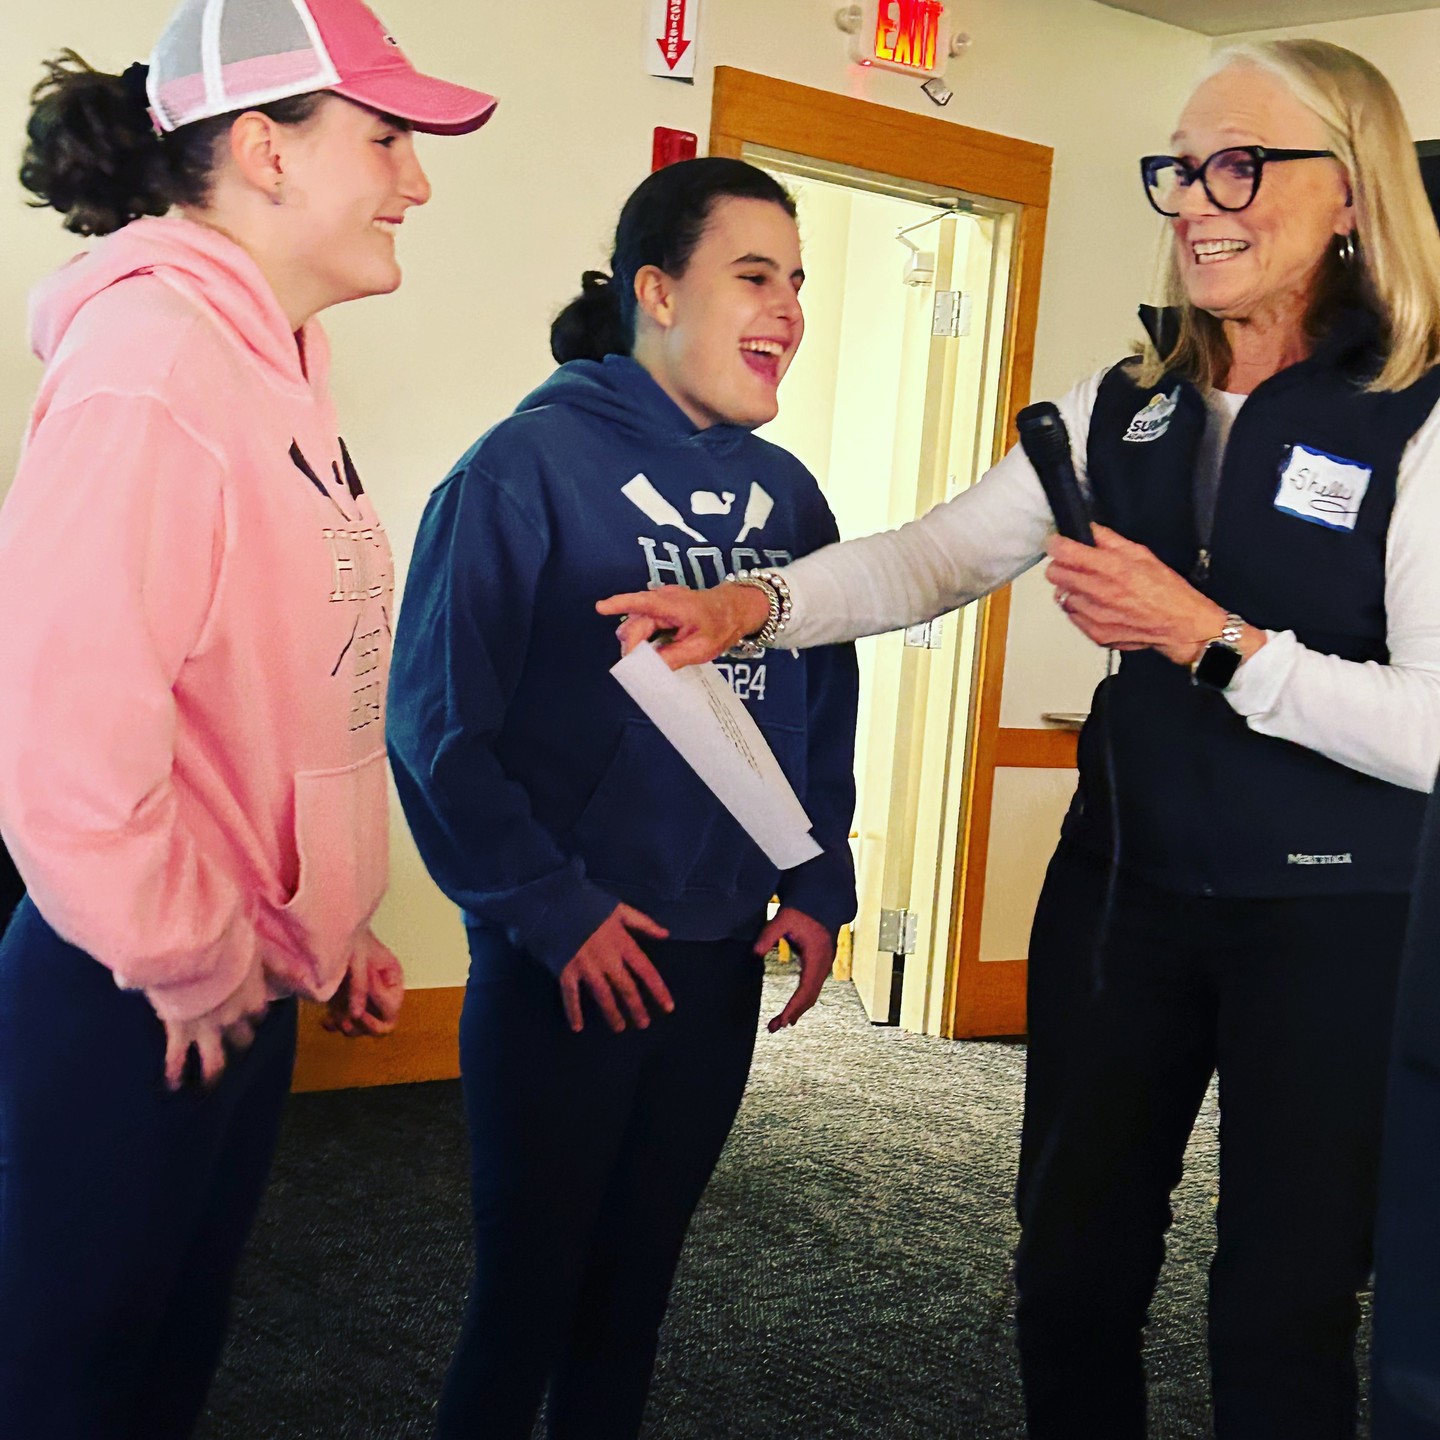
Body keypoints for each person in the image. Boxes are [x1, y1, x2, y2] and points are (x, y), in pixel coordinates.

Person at [600, 41, 1440, 1440]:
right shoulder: (1130, 402)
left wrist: (1208, 638)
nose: (1195, 200)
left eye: (1239, 163)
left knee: (1281, 1309)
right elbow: (932, 559)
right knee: (1067, 1271)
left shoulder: (1419, 417)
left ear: (1350, 194)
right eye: (1179, 169)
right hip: (1123, 898)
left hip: (1338, 918)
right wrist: (755, 605)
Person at [0, 3, 495, 1436]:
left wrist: (319, 924)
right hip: (131, 988)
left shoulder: (277, 363)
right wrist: (193, 950)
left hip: (230, 972)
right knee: (69, 1392)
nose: (415, 181)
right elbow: (61, 748)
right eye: (387, 138)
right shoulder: (152, 365)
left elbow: (270, 695)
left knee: (164, 1371)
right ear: (266, 151)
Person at [386, 156, 859, 1439]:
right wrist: (552, 908)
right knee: (526, 1302)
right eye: (752, 275)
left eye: (797, 282)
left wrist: (820, 883)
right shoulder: (521, 470)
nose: (788, 309)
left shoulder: (791, 498)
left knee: (633, 1299)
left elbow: (821, 703)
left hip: (717, 962)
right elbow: (438, 730)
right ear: (657, 291)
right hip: (572, 961)